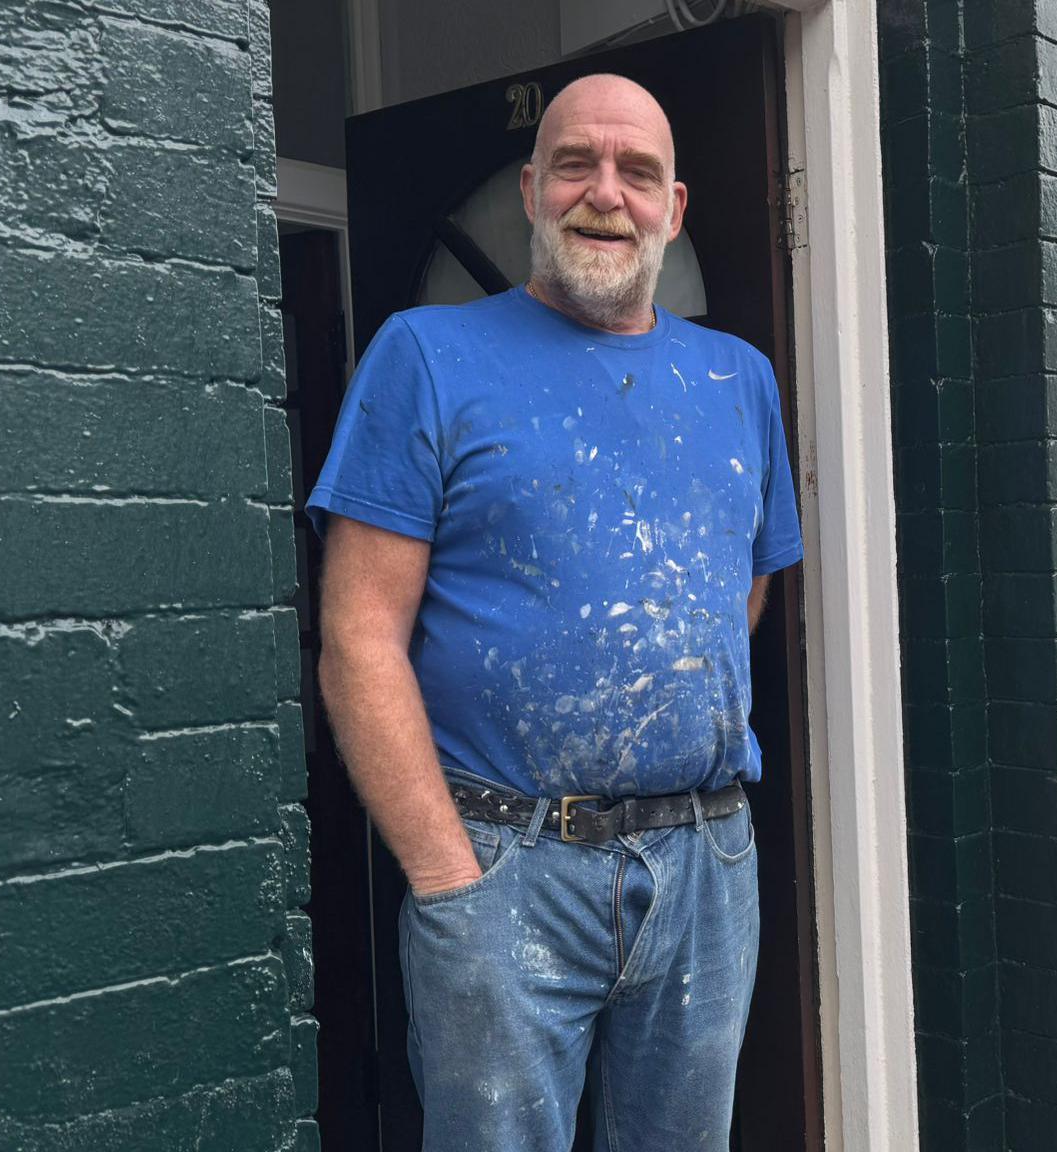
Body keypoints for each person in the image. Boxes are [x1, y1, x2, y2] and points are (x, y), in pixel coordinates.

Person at [306, 73, 801, 1151]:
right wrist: (447, 875)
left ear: (674, 209)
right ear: (532, 189)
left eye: (638, 172)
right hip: (502, 864)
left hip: (706, 867)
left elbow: (739, 588)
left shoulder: (740, 381)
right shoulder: (427, 357)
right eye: (576, 164)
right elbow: (358, 636)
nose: (604, 194)